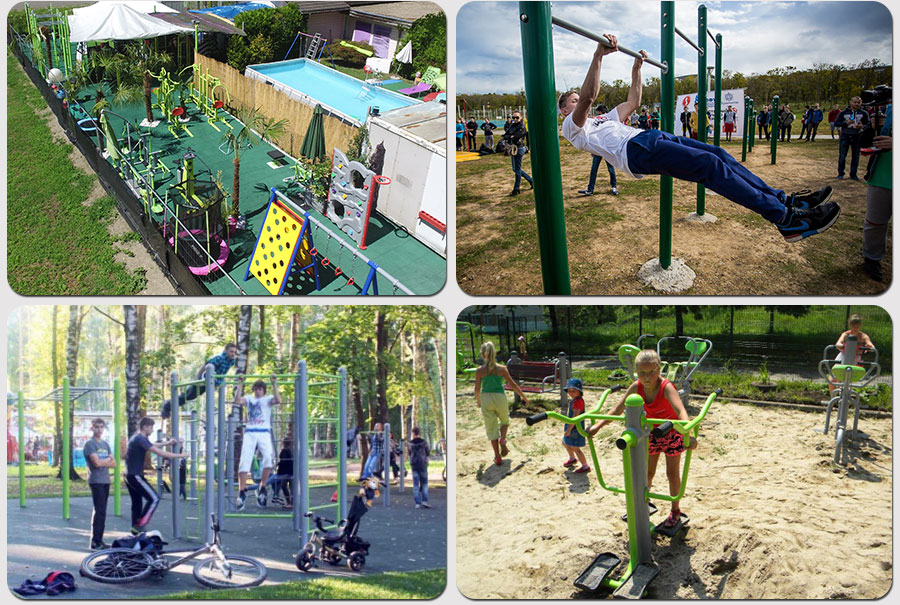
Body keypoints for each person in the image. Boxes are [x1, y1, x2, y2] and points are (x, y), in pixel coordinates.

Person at [557, 35, 841, 243]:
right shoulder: (573, 127)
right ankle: (785, 220)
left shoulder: (603, 120)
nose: (577, 101)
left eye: (575, 98)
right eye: (571, 100)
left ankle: (786, 201)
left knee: (718, 154)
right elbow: (589, 96)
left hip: (647, 137)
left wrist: (636, 70)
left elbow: (633, 101)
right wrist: (598, 56)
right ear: (564, 110)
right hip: (634, 151)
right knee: (709, 166)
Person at [588, 350, 696, 528]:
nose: (647, 378)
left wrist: (688, 433)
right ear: (637, 373)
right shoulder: (636, 387)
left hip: (672, 432)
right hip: (652, 434)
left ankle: (675, 509)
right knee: (647, 473)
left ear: (659, 369)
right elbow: (617, 409)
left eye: (652, 372)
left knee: (672, 473)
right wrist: (597, 426)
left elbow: (680, 411)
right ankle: (642, 505)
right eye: (642, 374)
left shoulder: (666, 387)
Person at [125, 417, 187, 534]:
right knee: (154, 498)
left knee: (137, 503)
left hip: (129, 475)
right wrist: (180, 456)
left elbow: (152, 445)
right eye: (151, 427)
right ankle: (140, 525)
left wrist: (168, 442)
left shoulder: (138, 438)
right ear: (144, 427)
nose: (152, 430)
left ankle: (135, 530)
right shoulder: (140, 438)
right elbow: (159, 452)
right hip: (135, 476)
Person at [474, 342, 530, 466]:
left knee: (491, 428)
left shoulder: (480, 371)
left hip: (486, 398)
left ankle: (497, 456)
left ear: (483, 354)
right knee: (504, 421)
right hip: (500, 397)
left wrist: (479, 401)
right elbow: (513, 385)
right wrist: (524, 397)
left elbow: (477, 389)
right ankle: (503, 439)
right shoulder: (502, 368)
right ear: (495, 353)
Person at [233, 376, 281, 509]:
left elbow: (278, 400)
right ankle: (242, 491)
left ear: (264, 390)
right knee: (244, 461)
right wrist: (240, 383)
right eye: (256, 389)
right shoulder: (249, 398)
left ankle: (262, 486)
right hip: (250, 432)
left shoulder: (267, 399)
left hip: (264, 431)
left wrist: (274, 383)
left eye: (260, 389)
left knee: (268, 459)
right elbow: (237, 400)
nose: (258, 391)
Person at [862, 103, 891, 281]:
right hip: (881, 176)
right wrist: (870, 129)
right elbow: (865, 144)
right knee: (874, 222)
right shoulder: (888, 110)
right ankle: (871, 258)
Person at [164, 343, 237, 413]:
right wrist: (198, 378)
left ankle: (169, 405)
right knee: (189, 395)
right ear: (226, 350)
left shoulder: (231, 361)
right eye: (231, 351)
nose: (233, 354)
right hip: (204, 380)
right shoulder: (219, 359)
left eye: (234, 352)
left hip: (212, 382)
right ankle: (168, 405)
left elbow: (223, 372)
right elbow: (205, 365)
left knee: (191, 396)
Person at [84, 418, 116, 550]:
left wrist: (106, 461)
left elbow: (114, 464)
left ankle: (98, 539)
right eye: (96, 427)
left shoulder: (105, 444)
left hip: (105, 480)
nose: (99, 429)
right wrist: (107, 460)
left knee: (101, 511)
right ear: (92, 428)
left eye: (101, 427)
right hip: (96, 480)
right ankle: (95, 541)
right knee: (100, 510)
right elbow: (96, 464)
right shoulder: (90, 444)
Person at [829, 314, 876, 394]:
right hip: (843, 357)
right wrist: (840, 344)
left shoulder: (863, 336)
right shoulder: (846, 334)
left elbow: (871, 346)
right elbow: (838, 342)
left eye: (857, 326)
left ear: (860, 325)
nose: (855, 328)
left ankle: (843, 398)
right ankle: (833, 397)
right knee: (832, 379)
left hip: (854, 359)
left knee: (845, 380)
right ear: (850, 325)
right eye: (853, 325)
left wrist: (870, 347)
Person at [579, 104, 619, 196]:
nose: (597, 113)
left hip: (605, 149)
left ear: (600, 112)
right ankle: (591, 189)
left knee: (609, 169)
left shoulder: (606, 120)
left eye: (598, 111)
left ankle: (613, 186)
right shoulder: (600, 120)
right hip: (599, 149)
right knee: (597, 169)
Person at [835, 96, 870, 180]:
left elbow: (868, 124)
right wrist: (846, 123)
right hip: (845, 136)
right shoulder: (843, 113)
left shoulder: (864, 113)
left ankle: (853, 174)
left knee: (855, 156)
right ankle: (841, 173)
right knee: (842, 156)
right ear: (851, 102)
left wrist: (862, 126)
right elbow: (836, 123)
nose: (856, 104)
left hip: (857, 136)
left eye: (858, 103)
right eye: (855, 102)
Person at [561, 378, 590, 474]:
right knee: (565, 443)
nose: (571, 393)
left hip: (575, 428)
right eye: (569, 391)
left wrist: (569, 430)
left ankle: (585, 466)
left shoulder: (578, 402)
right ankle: (572, 458)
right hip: (571, 426)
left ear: (579, 392)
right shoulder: (574, 400)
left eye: (574, 391)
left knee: (575, 448)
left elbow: (575, 417)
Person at [502, 111, 533, 196]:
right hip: (513, 148)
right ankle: (531, 180)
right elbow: (505, 135)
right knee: (515, 169)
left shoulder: (521, 126)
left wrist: (511, 137)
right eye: (513, 117)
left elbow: (516, 137)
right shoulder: (512, 125)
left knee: (517, 169)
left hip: (519, 149)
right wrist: (510, 136)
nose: (515, 119)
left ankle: (516, 189)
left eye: (517, 117)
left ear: (521, 118)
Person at [408, 427, 431, 509]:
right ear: (419, 433)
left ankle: (417, 503)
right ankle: (425, 501)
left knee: (415, 484)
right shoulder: (424, 442)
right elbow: (428, 451)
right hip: (423, 464)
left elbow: (409, 452)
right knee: (424, 484)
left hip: (414, 464)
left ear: (413, 433)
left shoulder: (410, 443)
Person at [270, 437, 293, 507]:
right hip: (291, 471)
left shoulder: (285, 450)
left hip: (285, 472)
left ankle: (290, 502)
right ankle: (290, 502)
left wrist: (279, 466)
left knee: (284, 486)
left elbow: (284, 461)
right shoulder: (292, 450)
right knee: (290, 487)